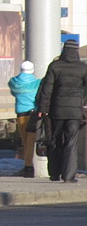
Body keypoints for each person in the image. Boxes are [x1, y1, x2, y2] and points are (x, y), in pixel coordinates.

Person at [36, 39, 87, 183]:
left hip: (56, 110)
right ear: (76, 51)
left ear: (64, 50)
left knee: (54, 140)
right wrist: (82, 100)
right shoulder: (82, 67)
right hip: (75, 111)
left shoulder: (54, 66)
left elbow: (47, 89)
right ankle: (69, 176)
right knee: (71, 142)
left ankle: (54, 173)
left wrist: (43, 108)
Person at [9, 60, 41, 178]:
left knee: (24, 141)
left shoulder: (13, 82)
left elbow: (13, 93)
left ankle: (27, 166)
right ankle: (28, 167)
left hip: (20, 114)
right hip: (33, 114)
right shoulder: (37, 83)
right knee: (30, 143)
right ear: (32, 70)